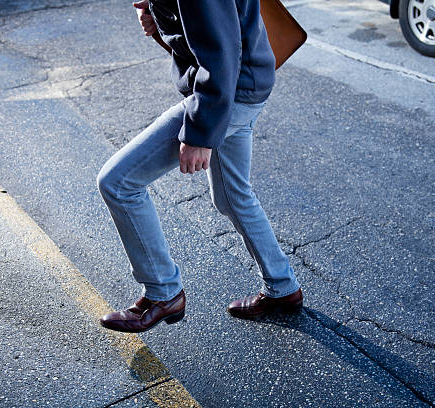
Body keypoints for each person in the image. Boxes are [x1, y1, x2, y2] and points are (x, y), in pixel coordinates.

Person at [97, 0, 302, 333]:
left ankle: (164, 293)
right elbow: (201, 34)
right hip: (246, 86)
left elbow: (219, 54)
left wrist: (200, 133)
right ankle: (282, 287)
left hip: (229, 94)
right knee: (232, 196)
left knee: (118, 183)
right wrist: (159, 19)